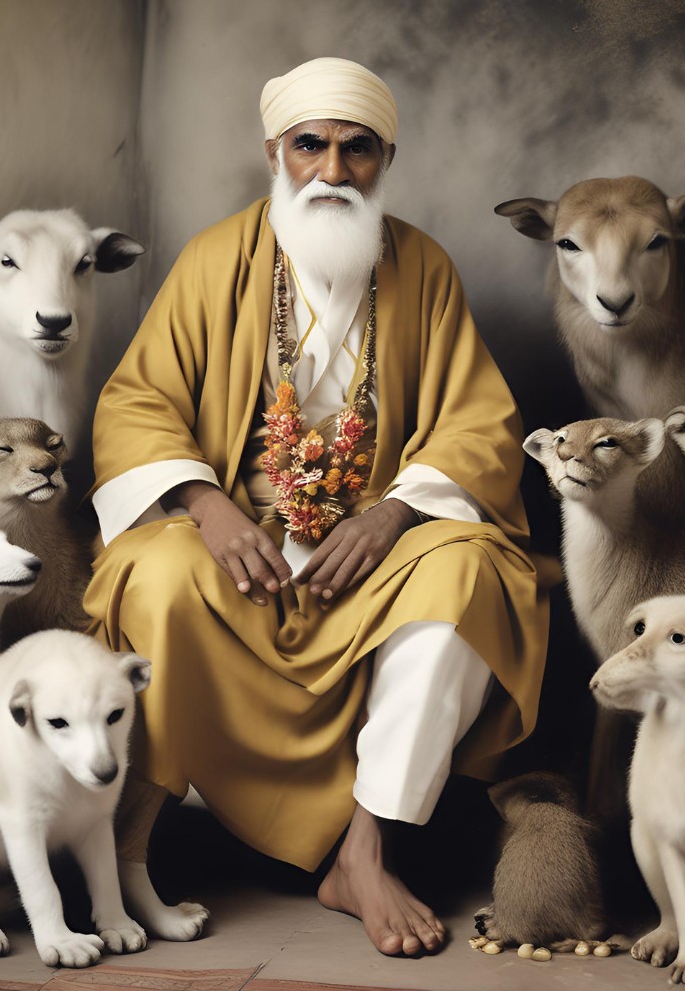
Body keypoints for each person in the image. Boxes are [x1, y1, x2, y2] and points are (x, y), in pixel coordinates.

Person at [84, 57, 548, 957]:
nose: (334, 171)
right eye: (311, 146)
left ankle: (364, 853)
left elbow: (480, 423)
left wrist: (396, 514)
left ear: (386, 160)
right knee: (155, 573)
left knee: (469, 581)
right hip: (239, 540)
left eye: (358, 150)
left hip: (382, 546)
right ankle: (153, 835)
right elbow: (136, 403)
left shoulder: (425, 267)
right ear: (276, 153)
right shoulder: (216, 257)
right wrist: (207, 507)